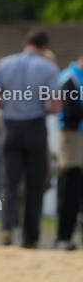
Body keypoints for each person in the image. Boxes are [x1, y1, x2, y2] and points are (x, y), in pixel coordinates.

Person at [0, 30, 61, 248]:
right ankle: (30, 236)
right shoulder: (48, 68)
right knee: (35, 184)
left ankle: (6, 229)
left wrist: (9, 104)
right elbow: (55, 105)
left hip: (10, 128)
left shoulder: (4, 64)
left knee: (8, 183)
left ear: (25, 43)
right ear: (45, 47)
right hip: (35, 128)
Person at [55, 52, 83, 250]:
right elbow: (71, 110)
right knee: (70, 186)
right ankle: (63, 237)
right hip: (72, 137)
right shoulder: (69, 77)